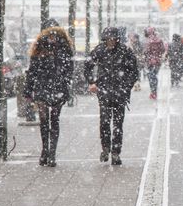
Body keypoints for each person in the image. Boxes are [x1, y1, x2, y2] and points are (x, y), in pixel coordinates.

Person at [84, 27, 139, 166]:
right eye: (108, 39)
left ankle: (116, 152)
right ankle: (105, 148)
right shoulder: (100, 50)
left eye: (113, 39)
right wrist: (92, 82)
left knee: (118, 125)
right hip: (104, 92)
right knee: (104, 122)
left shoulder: (125, 51)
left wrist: (126, 86)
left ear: (117, 39)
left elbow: (134, 71)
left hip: (120, 93)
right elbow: (87, 65)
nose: (111, 42)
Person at [23, 23, 73, 167]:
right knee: (44, 121)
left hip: (57, 88)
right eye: (50, 35)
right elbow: (32, 71)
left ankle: (51, 153)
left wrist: (64, 82)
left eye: (54, 35)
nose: (52, 38)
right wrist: (28, 90)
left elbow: (69, 70)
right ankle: (45, 150)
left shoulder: (64, 49)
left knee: (54, 120)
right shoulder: (40, 48)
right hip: (43, 88)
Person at [143, 27, 166, 100]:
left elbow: (146, 52)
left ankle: (153, 92)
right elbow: (163, 50)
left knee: (151, 77)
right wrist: (158, 55)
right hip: (158, 61)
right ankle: (154, 92)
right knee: (154, 76)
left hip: (150, 61)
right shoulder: (159, 39)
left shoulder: (148, 41)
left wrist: (147, 56)